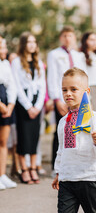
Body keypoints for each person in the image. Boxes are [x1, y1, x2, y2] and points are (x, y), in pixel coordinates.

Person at [52, 67, 96, 213]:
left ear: (87, 91)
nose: (68, 94)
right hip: (67, 180)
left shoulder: (94, 118)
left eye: (74, 89)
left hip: (89, 179)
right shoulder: (62, 122)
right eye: (64, 90)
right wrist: (59, 172)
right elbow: (61, 150)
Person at [47, 26, 87, 177]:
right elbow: (52, 77)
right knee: (61, 131)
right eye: (64, 35)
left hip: (78, 98)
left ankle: (76, 164)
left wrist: (84, 99)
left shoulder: (79, 55)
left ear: (74, 37)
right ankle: (56, 166)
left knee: (78, 130)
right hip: (63, 98)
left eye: (70, 35)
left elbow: (83, 77)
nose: (67, 38)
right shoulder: (54, 54)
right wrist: (57, 99)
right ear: (61, 38)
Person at [12, 32, 46, 183]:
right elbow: (17, 86)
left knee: (34, 137)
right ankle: (23, 169)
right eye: (29, 42)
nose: (32, 44)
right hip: (23, 103)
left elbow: (43, 85)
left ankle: (33, 168)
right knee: (23, 137)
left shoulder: (39, 62)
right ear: (23, 44)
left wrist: (38, 106)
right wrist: (28, 106)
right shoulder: (17, 62)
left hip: (36, 102)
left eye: (34, 42)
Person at [0, 37, 17, 190]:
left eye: (4, 46)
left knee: (3, 141)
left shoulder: (5, 64)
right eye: (1, 47)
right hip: (0, 103)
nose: (4, 50)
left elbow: (12, 85)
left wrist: (10, 104)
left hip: (6, 102)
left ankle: (2, 174)